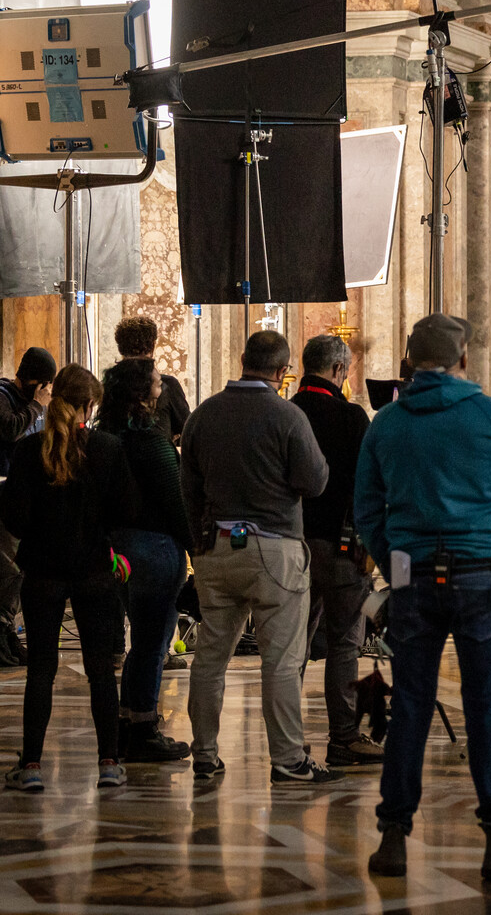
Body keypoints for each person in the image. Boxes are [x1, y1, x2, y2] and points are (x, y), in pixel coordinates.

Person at [355, 313, 491, 881]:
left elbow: (367, 510)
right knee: (485, 708)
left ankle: (393, 838)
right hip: (479, 575)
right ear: (463, 358)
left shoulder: (386, 424)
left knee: (410, 705)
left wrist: (395, 564)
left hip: (412, 576)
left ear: (411, 361)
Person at [180, 331, 335, 784]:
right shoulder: (287, 415)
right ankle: (287, 759)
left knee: (210, 656)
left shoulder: (203, 415)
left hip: (215, 547)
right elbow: (315, 481)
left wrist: (198, 545)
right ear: (283, 371)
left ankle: (204, 754)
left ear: (243, 358)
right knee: (281, 660)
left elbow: (188, 489)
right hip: (275, 547)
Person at [0, 365, 136, 791]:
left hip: (42, 572)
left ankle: (32, 766)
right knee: (100, 670)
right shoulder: (108, 448)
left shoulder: (29, 450)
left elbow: (12, 516)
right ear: (89, 405)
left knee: (41, 670)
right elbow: (126, 511)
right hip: (94, 570)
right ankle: (109, 763)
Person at [95, 358, 194, 763]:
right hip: (155, 547)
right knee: (153, 644)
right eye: (156, 384)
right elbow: (176, 501)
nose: (161, 389)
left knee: (140, 640)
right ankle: (144, 729)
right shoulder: (151, 441)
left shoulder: (105, 436)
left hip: (118, 549)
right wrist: (197, 549)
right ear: (141, 394)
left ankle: (126, 722)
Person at [290, 334, 382, 767]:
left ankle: (289, 741)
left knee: (294, 645)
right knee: (345, 643)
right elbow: (368, 485)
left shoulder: (288, 412)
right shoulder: (350, 416)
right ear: (339, 370)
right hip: (343, 548)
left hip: (293, 547)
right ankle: (344, 738)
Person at [0, 346, 57, 668]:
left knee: (23, 567)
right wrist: (37, 405)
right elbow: (11, 431)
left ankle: (6, 629)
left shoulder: (35, 403)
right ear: (33, 380)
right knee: (11, 567)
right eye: (44, 385)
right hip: (3, 495)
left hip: (31, 495)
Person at [114, 315, 191, 442]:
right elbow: (187, 429)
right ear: (153, 346)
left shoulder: (110, 385)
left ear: (120, 348)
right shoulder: (168, 385)